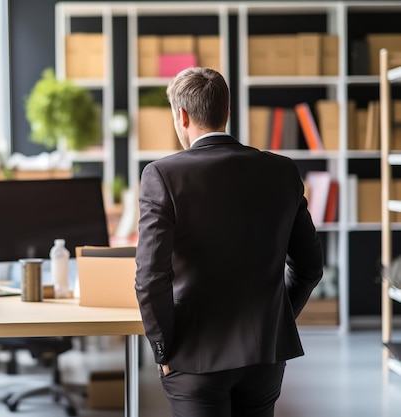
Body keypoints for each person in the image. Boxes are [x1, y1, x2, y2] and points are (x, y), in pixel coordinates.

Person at [134, 66, 324, 417]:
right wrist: (273, 322)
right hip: (264, 356)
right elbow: (310, 267)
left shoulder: (161, 175)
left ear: (182, 115)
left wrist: (163, 352)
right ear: (228, 113)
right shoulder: (282, 171)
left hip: (194, 357)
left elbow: (150, 278)